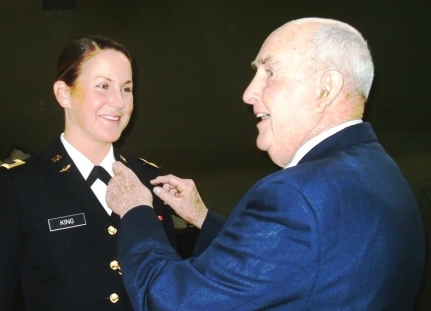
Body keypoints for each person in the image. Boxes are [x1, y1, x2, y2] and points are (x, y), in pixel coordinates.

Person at [105, 18, 426, 310]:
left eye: (269, 73)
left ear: (327, 87)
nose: (248, 93)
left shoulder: (295, 196)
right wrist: (202, 216)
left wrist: (136, 210)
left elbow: (172, 302)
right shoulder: (381, 172)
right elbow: (295, 260)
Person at [0, 36, 176, 311]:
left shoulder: (148, 179)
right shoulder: (21, 187)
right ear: (63, 93)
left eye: (127, 89)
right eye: (103, 86)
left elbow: (170, 286)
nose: (118, 101)